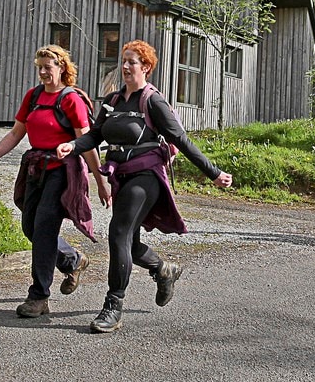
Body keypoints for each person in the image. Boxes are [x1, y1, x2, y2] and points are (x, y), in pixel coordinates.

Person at [57, 39, 233, 334]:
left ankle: (113, 305)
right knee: (130, 243)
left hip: (146, 177)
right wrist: (73, 145)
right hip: (120, 177)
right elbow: (95, 136)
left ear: (146, 68)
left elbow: (181, 140)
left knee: (118, 233)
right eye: (123, 61)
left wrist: (213, 173)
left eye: (132, 62)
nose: (125, 67)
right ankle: (163, 270)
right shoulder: (112, 101)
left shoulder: (153, 101)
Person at [0, 45, 109, 317]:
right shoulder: (33, 96)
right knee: (30, 227)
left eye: (48, 67)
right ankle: (72, 260)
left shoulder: (71, 99)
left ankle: (39, 297)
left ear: (62, 68)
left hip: (62, 171)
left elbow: (87, 141)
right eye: (40, 67)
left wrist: (100, 179)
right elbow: (15, 134)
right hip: (36, 168)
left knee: (45, 227)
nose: (44, 72)